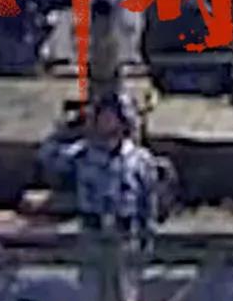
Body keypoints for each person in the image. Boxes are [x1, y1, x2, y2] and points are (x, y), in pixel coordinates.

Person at [39, 92, 166, 239]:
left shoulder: (140, 159)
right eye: (103, 115)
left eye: (112, 116)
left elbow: (148, 201)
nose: (107, 120)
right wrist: (68, 129)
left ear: (124, 120)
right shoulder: (81, 154)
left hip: (127, 231)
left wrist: (148, 235)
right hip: (92, 231)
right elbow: (47, 157)